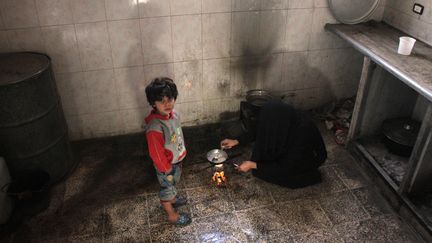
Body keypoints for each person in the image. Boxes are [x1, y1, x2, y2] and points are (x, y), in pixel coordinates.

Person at [221, 99, 327, 188]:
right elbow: (259, 129)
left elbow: (285, 167)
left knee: (281, 175)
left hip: (305, 159)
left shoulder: (302, 132)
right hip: (288, 147)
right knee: (263, 153)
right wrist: (236, 141)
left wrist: (252, 164)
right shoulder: (280, 117)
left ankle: (308, 175)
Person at [144, 77, 191, 226]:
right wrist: (166, 168)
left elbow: (176, 135)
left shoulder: (174, 115)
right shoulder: (155, 128)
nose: (167, 104)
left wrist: (181, 153)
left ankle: (173, 198)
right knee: (166, 188)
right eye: (161, 101)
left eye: (170, 99)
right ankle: (171, 214)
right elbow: (156, 153)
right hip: (166, 167)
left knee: (173, 184)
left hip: (176, 161)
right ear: (153, 103)